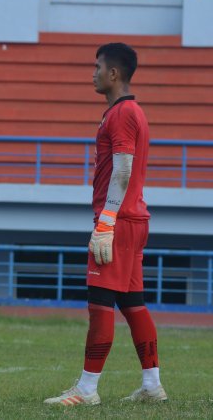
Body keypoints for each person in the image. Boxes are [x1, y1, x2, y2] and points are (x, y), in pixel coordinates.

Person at [44, 43, 167, 406]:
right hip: (132, 220)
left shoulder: (123, 114)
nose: (93, 73)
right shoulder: (125, 111)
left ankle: (86, 390)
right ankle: (151, 384)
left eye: (97, 67)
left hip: (120, 221)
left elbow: (123, 167)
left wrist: (107, 220)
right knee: (133, 304)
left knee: (100, 304)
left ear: (113, 73)